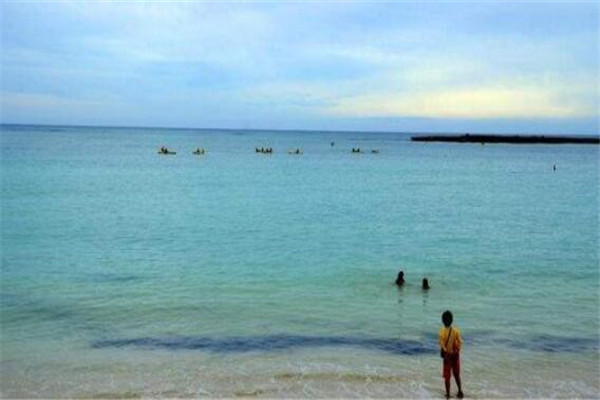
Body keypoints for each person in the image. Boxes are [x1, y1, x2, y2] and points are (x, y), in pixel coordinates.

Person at [439, 310, 464, 399]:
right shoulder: (456, 331)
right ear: (452, 320)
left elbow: (442, 344)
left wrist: (445, 351)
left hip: (447, 356)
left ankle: (448, 394)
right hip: (455, 355)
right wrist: (457, 350)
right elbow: (460, 342)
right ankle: (460, 390)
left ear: (443, 321)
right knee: (456, 374)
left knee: (447, 377)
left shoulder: (441, 332)